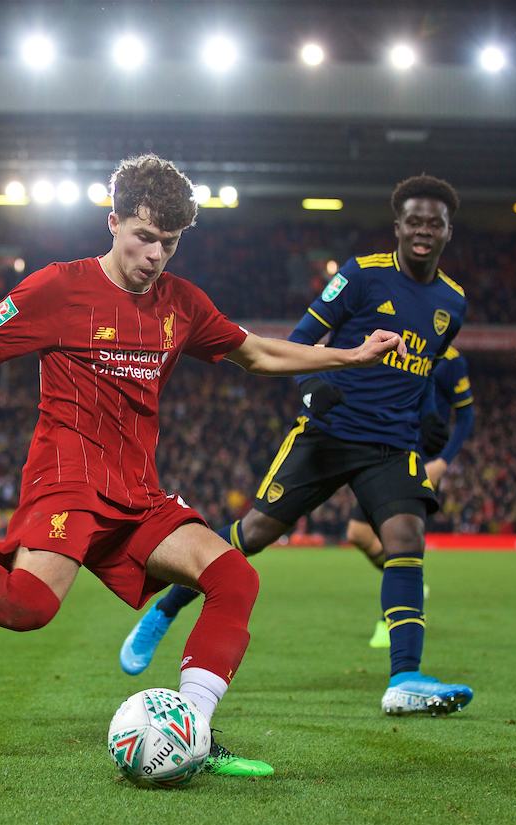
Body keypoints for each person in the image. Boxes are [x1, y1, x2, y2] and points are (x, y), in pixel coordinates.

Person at [0, 154, 406, 776]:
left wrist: (349, 358)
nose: (155, 256)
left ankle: (192, 732)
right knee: (27, 607)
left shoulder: (181, 304)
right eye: (144, 238)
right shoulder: (59, 289)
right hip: (67, 482)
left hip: (138, 492)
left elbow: (259, 354)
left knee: (235, 578)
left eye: (170, 243)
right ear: (113, 223)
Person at [120, 174, 473, 717]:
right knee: (256, 533)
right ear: (398, 225)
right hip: (330, 431)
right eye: (415, 221)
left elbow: (425, 372)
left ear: (448, 231)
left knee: (406, 539)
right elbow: (300, 340)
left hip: (392, 443)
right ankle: (166, 609)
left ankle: (404, 679)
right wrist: (312, 390)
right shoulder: (362, 276)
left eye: (436, 223)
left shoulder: (453, 301)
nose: (424, 231)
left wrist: (429, 419)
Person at [349, 346, 474, 647]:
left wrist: (441, 462)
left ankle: (389, 621)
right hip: (386, 455)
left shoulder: (451, 360)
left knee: (397, 538)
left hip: (420, 463)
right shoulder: (395, 348)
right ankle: (412, 579)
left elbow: (466, 417)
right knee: (358, 534)